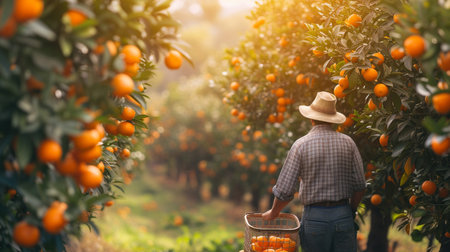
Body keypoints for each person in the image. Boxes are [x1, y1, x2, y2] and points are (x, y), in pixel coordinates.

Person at [262, 91, 366, 252]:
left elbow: (285, 189)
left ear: (311, 118)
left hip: (315, 218)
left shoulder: (301, 145)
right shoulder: (348, 143)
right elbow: (360, 185)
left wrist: (273, 212)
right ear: (333, 120)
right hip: (343, 215)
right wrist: (349, 211)